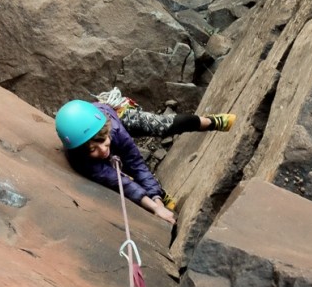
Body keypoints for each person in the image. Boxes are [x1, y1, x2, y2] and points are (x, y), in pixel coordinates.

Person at [55, 88, 236, 225]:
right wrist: (156, 206)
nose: (102, 150)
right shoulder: (81, 159)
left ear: (106, 132)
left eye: (102, 141)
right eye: (92, 149)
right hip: (97, 127)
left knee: (162, 125)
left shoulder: (114, 130)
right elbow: (119, 182)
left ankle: (211, 122)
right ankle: (159, 192)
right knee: (122, 171)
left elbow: (136, 162)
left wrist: (155, 201)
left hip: (118, 116)